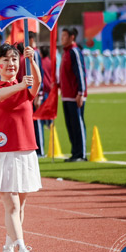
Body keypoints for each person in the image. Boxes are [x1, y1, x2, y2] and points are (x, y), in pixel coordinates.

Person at [0, 43, 41, 252]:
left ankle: (8, 250)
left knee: (22, 205)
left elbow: (36, 84)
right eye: (6, 60)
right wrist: (19, 84)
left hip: (26, 150)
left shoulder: (26, 88)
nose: (11, 64)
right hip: (4, 153)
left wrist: (33, 60)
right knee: (12, 205)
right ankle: (23, 251)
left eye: (15, 60)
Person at [58, 27, 87, 162]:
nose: (62, 38)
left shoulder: (74, 51)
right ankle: (75, 153)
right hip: (66, 95)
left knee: (77, 124)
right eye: (61, 35)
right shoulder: (65, 52)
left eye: (64, 36)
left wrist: (81, 92)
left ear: (72, 37)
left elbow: (80, 72)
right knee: (70, 126)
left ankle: (81, 154)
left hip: (75, 95)